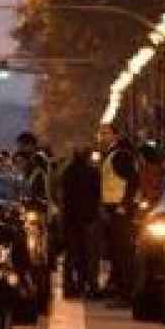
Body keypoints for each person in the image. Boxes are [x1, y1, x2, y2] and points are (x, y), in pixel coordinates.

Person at [96, 124, 140, 303]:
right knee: (116, 251)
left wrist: (124, 204)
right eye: (101, 133)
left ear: (116, 135)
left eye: (106, 133)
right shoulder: (114, 154)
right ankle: (120, 289)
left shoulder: (120, 155)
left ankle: (125, 292)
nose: (102, 136)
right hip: (114, 208)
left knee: (122, 252)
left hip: (119, 210)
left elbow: (132, 180)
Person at [59, 146, 101, 301]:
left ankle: (69, 286)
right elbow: (97, 195)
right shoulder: (93, 173)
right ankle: (89, 285)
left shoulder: (68, 172)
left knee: (72, 254)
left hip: (71, 219)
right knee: (89, 255)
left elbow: (64, 196)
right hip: (88, 218)